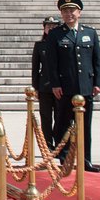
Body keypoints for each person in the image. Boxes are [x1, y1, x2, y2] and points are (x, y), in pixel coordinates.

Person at [42, 0, 100, 172]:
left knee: (85, 125)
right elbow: (51, 63)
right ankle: (64, 158)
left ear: (79, 12)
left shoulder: (89, 33)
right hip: (65, 86)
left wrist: (97, 82)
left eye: (72, 10)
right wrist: (55, 84)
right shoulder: (55, 34)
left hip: (86, 86)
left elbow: (96, 59)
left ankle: (85, 159)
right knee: (63, 123)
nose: (69, 14)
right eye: (65, 11)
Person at [31, 16, 61, 150]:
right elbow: (35, 68)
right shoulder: (39, 45)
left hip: (61, 86)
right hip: (45, 86)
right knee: (46, 117)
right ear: (44, 28)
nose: (51, 28)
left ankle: (59, 142)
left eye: (54, 26)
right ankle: (47, 144)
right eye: (49, 26)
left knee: (60, 116)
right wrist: (36, 87)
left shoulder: (63, 43)